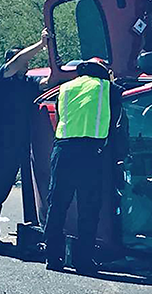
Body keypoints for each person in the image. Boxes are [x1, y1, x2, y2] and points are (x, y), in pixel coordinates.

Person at [0, 29, 55, 254]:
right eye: (22, 60)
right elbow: (19, 60)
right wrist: (40, 44)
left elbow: (49, 82)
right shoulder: (0, 78)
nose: (26, 64)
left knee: (7, 190)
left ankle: (1, 236)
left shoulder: (26, 82)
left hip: (15, 144)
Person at [43, 59, 124, 274]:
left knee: (57, 205)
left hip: (63, 149)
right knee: (88, 207)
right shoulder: (107, 88)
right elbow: (118, 115)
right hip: (91, 152)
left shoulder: (66, 88)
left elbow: (61, 116)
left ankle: (53, 257)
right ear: (103, 73)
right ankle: (83, 261)